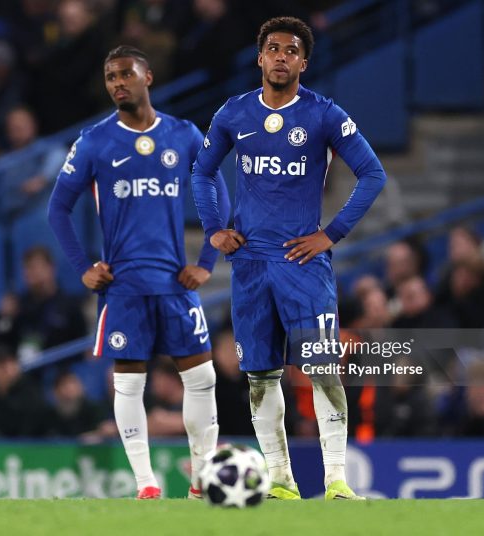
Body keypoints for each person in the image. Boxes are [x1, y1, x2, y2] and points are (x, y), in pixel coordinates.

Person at [191, 16, 386, 500]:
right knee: (260, 374)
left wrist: (331, 234)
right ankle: (281, 479)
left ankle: (337, 479)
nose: (281, 56)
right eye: (272, 48)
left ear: (304, 61)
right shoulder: (234, 113)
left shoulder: (323, 114)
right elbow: (201, 174)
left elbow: (372, 174)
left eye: (291, 50)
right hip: (251, 265)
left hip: (303, 263)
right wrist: (214, 230)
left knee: (323, 368)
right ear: (259, 58)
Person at [48, 45, 230, 500]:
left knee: (202, 378)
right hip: (124, 285)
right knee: (129, 381)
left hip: (174, 281)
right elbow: (58, 209)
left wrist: (206, 263)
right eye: (110, 77)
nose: (117, 84)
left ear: (147, 77)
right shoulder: (94, 141)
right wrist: (82, 267)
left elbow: (219, 196)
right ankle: (146, 484)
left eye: (125, 74)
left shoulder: (184, 134)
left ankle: (200, 481)